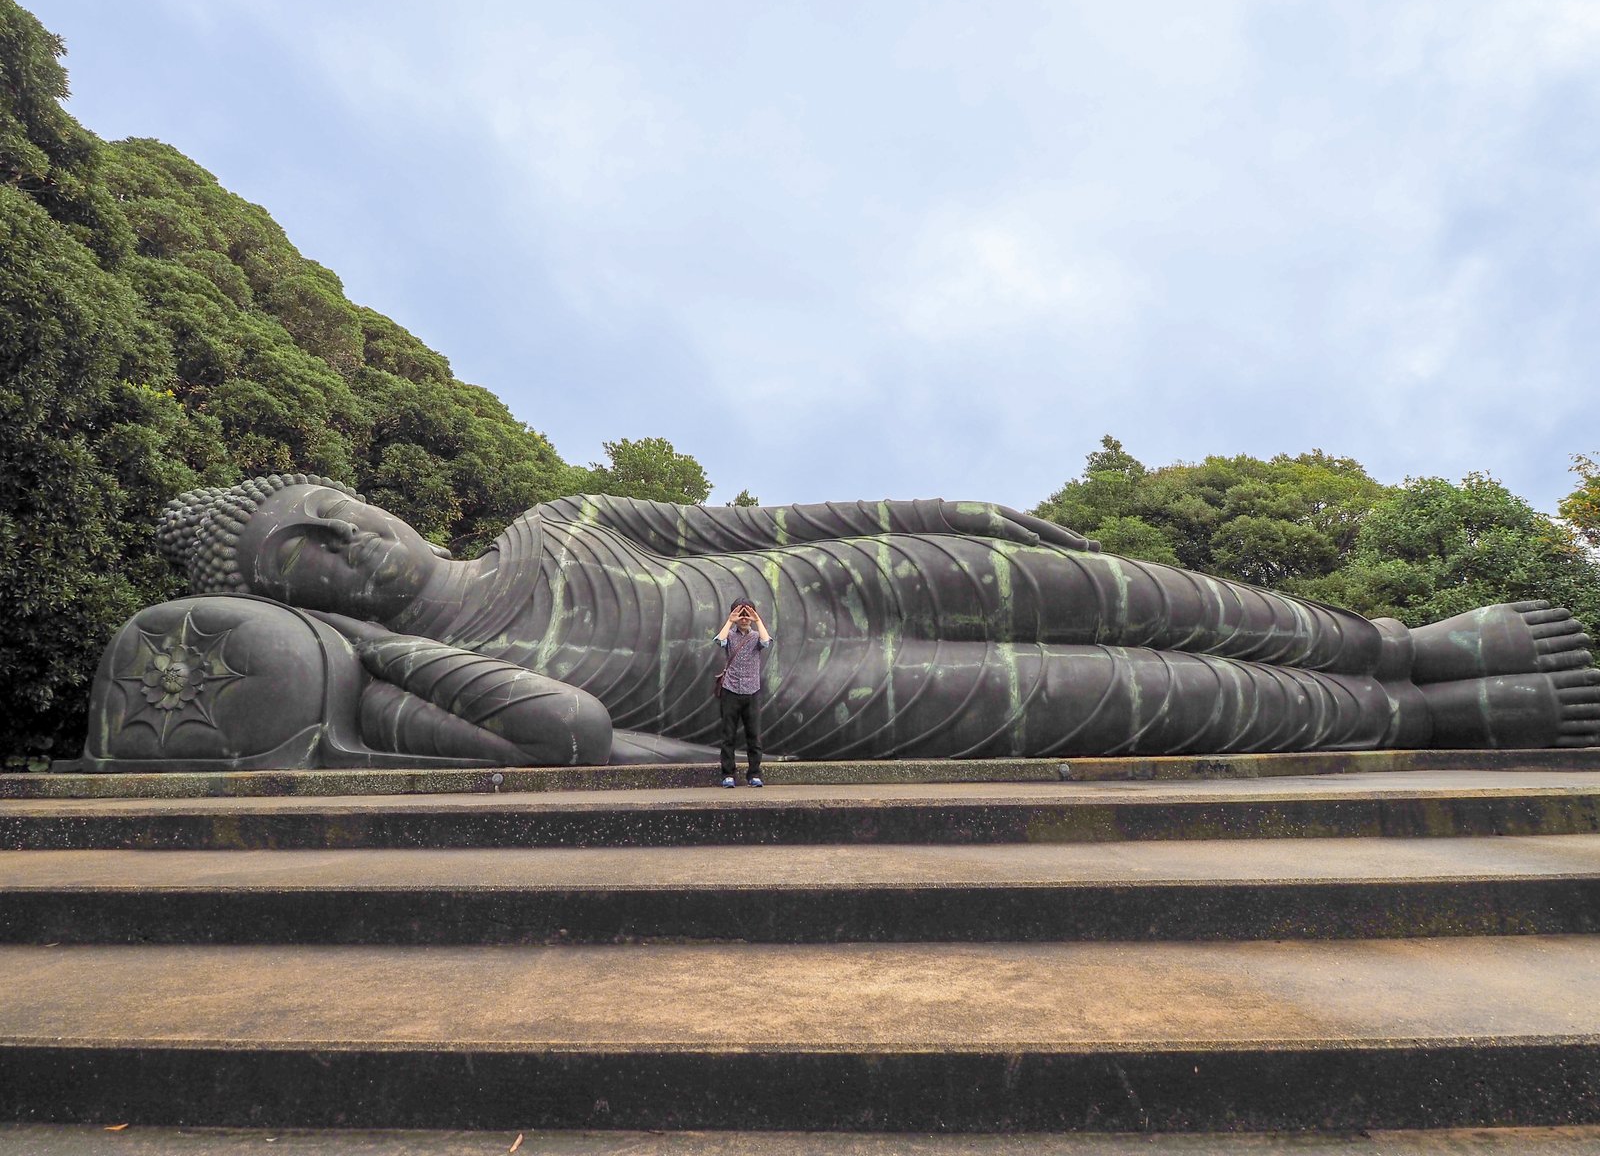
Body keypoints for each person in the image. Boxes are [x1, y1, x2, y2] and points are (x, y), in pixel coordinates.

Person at [67, 474, 1600, 771]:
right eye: (303, 556)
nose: (345, 543)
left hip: (842, 584)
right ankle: (1424, 713)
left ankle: (1409, 644)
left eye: (332, 507)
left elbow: (769, 524)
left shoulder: (555, 522)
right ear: (289, 596)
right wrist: (373, 659)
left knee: (1155, 595)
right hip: (823, 693)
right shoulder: (466, 671)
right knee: (1147, 690)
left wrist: (973, 512)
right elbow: (580, 740)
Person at [713, 596, 772, 787]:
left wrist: (758, 620)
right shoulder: (729, 635)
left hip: (752, 691)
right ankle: (727, 774)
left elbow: (766, 641)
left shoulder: (756, 637)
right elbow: (719, 640)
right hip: (730, 690)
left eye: (747, 613)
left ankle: (754, 774)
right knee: (728, 735)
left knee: (753, 736)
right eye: (741, 613)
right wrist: (731, 620)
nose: (744, 617)